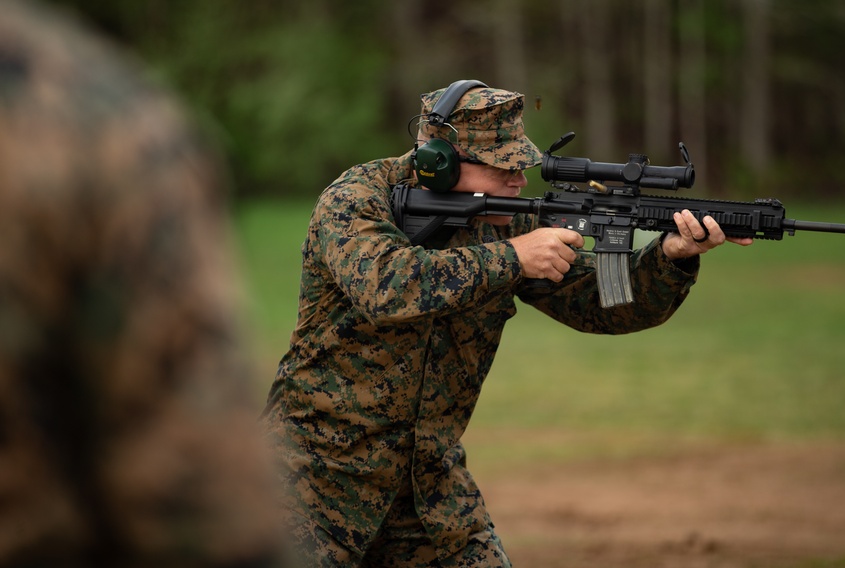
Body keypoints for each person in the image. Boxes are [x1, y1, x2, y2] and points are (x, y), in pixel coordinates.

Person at [260, 80, 752, 566]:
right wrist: (513, 257)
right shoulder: (355, 201)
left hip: (427, 488)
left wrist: (670, 257)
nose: (520, 178)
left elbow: (600, 302)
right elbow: (388, 287)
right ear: (439, 163)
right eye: (504, 167)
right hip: (313, 480)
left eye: (522, 163)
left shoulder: (507, 219)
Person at [0, 1, 286, 565]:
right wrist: (499, 261)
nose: (510, 178)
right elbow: (201, 507)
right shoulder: (75, 111)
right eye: (496, 163)